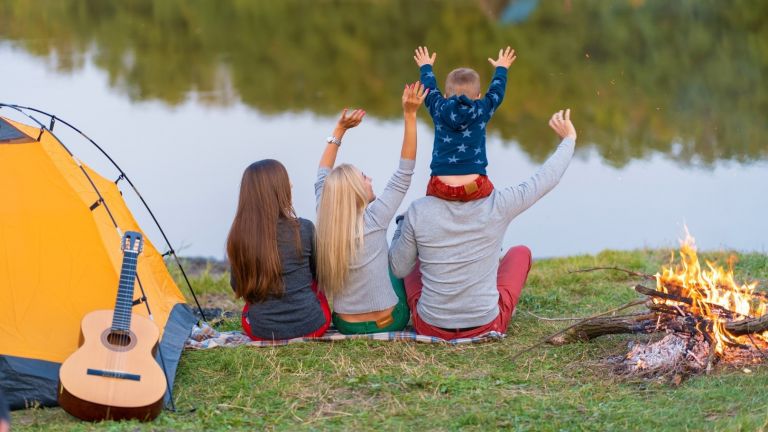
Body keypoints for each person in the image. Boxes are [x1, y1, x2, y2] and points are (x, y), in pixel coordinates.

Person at [389, 109, 577, 339]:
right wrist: (568, 140)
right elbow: (546, 178)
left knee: (411, 258)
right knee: (521, 253)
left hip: (429, 326)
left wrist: (403, 224)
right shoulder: (499, 203)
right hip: (487, 325)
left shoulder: (418, 210)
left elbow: (398, 268)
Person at [315, 83, 428, 334]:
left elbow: (322, 177)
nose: (370, 179)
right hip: (390, 320)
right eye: (364, 177)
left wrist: (340, 129)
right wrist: (410, 115)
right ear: (356, 191)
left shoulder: (325, 213)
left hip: (346, 324)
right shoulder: (375, 219)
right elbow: (404, 172)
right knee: (398, 259)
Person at [227, 159, 331, 340]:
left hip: (262, 331)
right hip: (313, 326)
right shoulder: (304, 228)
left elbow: (238, 286)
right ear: (277, 189)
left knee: (253, 290)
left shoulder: (239, 236)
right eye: (286, 180)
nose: (291, 184)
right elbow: (319, 276)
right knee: (312, 281)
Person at [414, 45, 516, 202]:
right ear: (478, 96)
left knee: (431, 195)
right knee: (493, 198)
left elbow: (429, 90)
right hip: (474, 186)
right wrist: (501, 68)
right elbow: (497, 92)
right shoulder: (482, 109)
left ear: (445, 95)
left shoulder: (439, 107)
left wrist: (426, 67)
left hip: (440, 186)